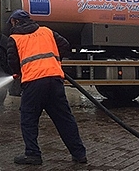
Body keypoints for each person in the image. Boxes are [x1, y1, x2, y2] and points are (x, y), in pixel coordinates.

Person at [6, 9, 87, 165]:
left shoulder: (14, 38)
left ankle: (33, 154)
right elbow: (65, 45)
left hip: (34, 82)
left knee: (28, 118)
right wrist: (54, 61)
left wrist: (17, 73)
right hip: (54, 79)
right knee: (64, 119)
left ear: (15, 22)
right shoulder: (46, 31)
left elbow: (12, 61)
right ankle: (79, 154)